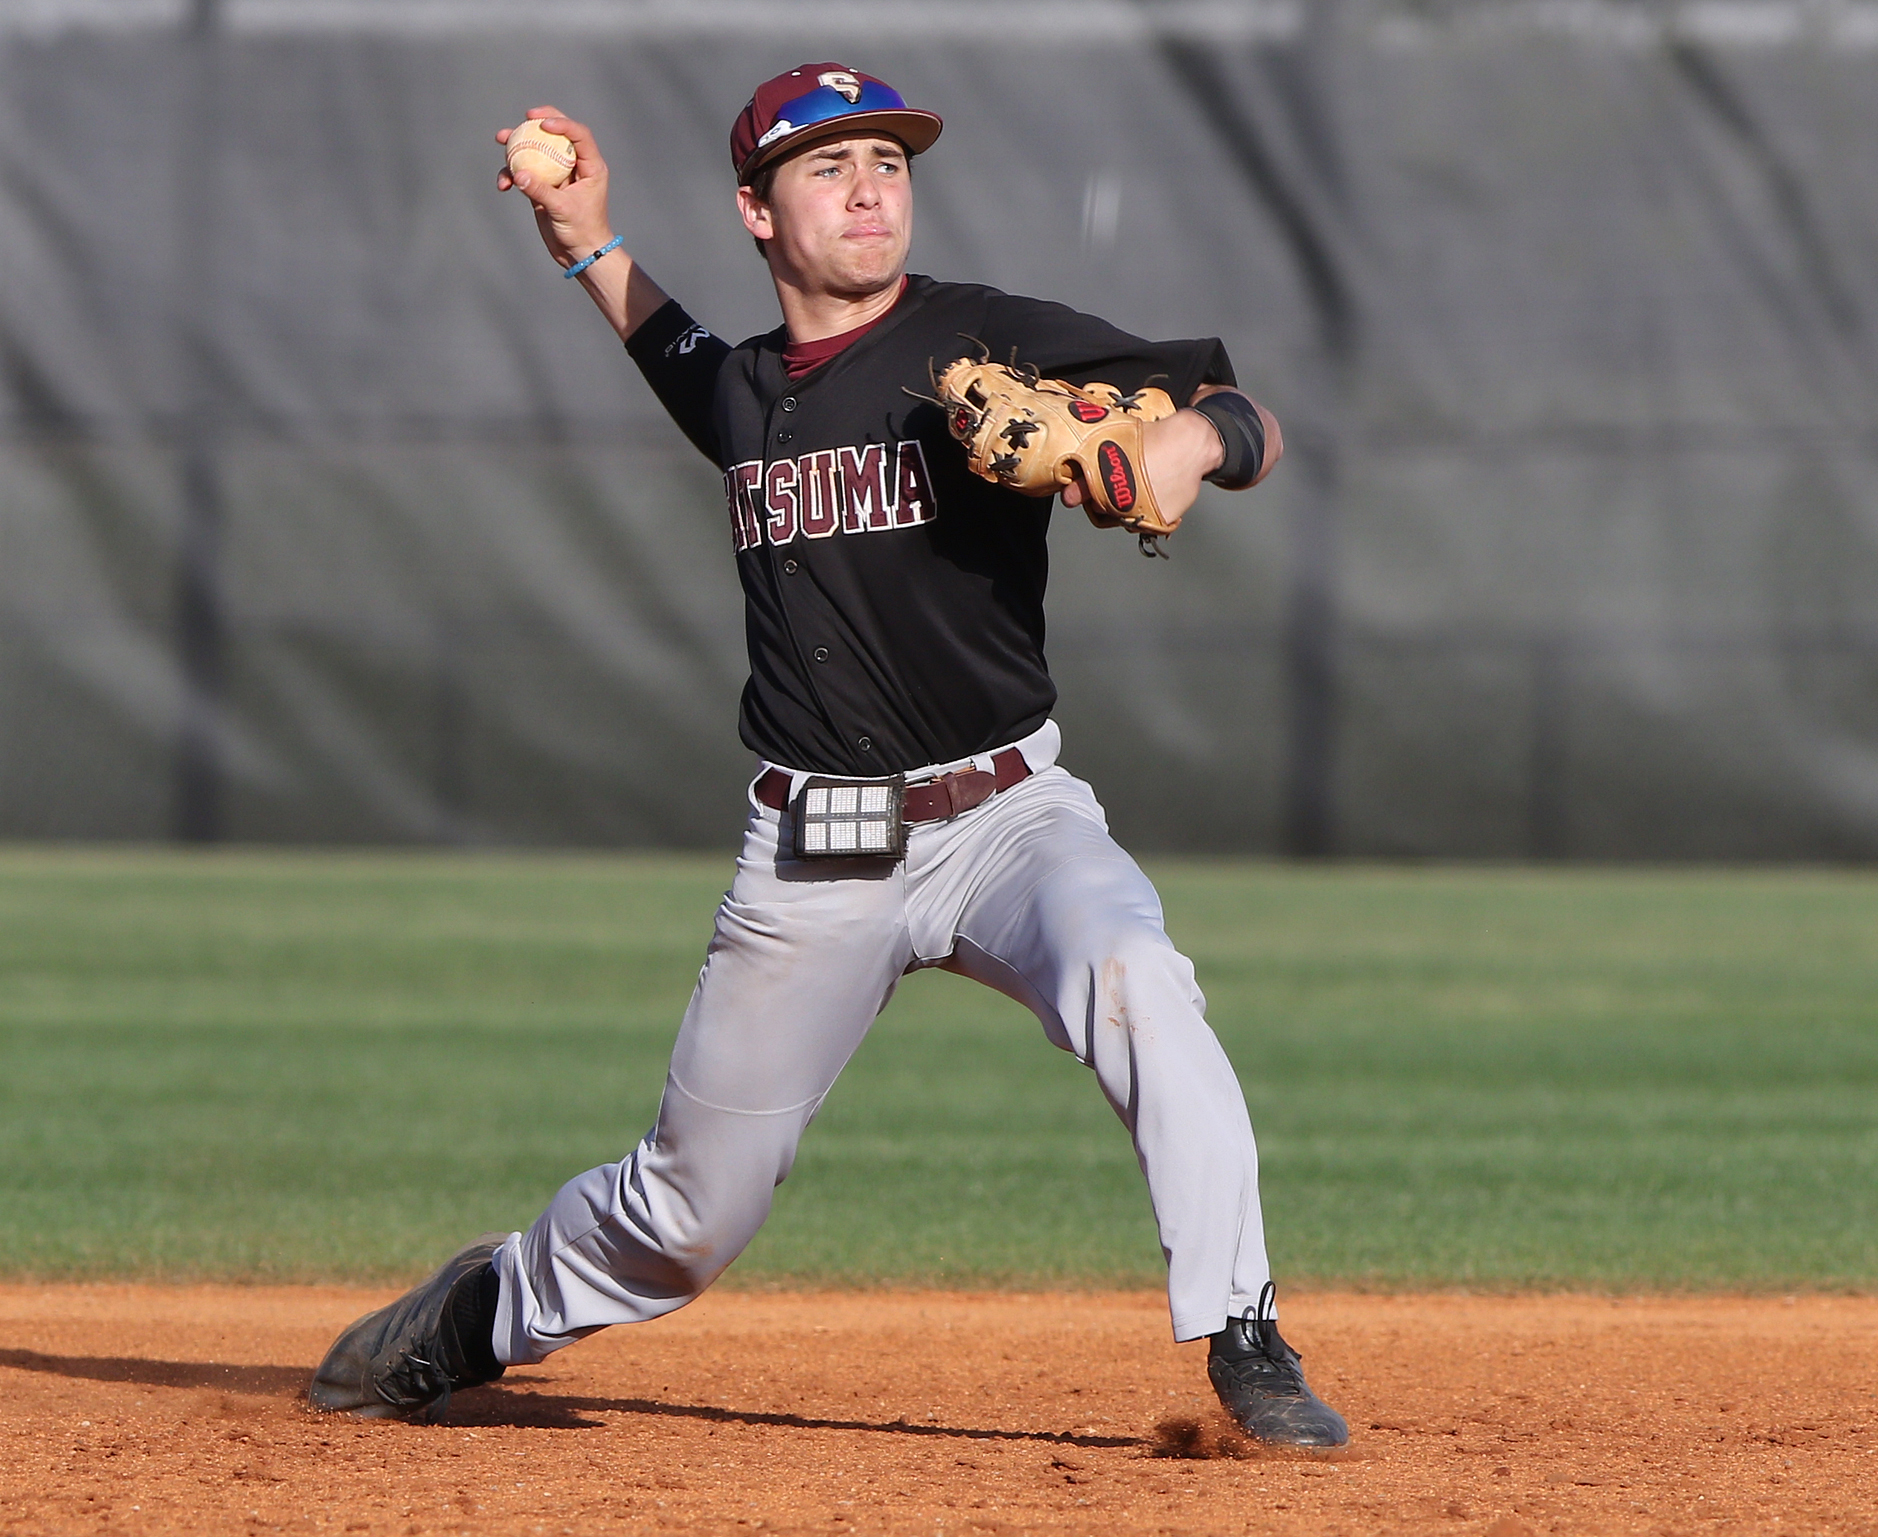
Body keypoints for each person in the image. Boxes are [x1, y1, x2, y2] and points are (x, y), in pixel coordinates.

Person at [308, 62, 1346, 1448]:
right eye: (827, 166)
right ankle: (480, 1314)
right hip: (815, 844)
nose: (870, 188)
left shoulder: (987, 335)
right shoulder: (744, 393)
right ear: (755, 210)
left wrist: (1189, 446)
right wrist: (580, 239)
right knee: (688, 1215)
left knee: (1136, 974)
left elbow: (1251, 416)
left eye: (890, 164)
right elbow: (663, 342)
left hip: (1007, 816)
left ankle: (1243, 1333)